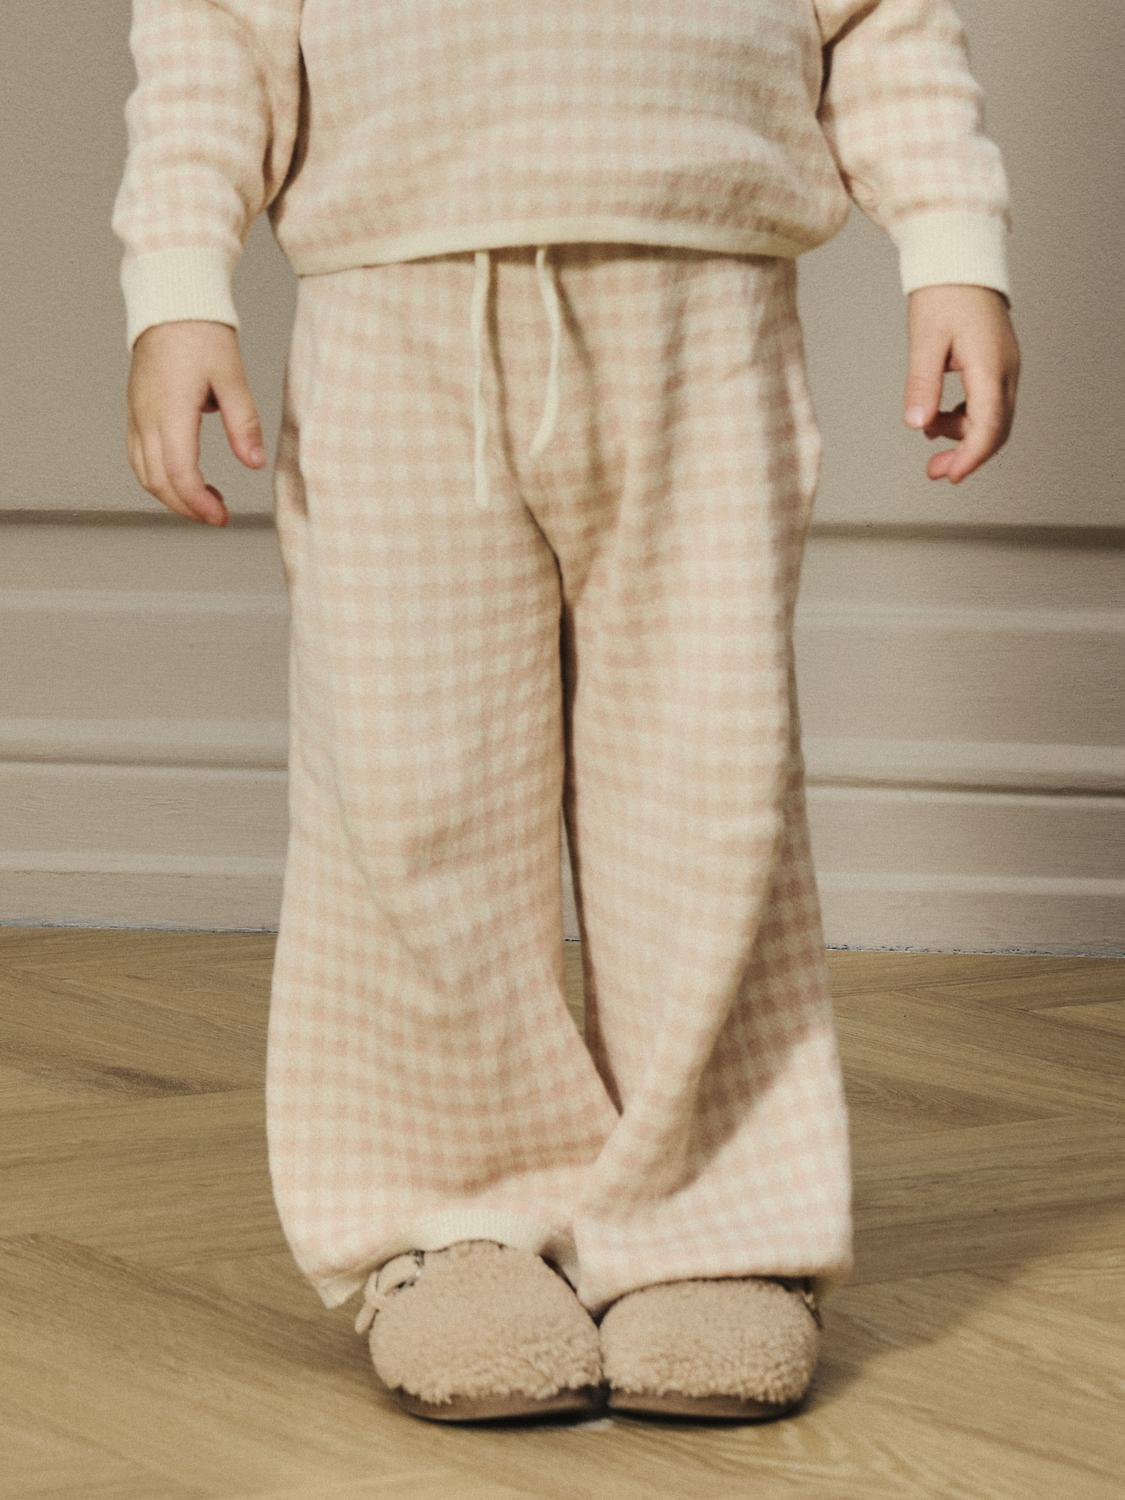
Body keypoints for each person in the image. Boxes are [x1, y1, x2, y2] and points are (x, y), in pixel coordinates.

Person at [112, 0, 1020, 1423]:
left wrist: (953, 243)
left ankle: (714, 1219)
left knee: (707, 787)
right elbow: (213, 24)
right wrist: (178, 278)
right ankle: (449, 1215)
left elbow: (885, 17)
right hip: (395, 306)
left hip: (704, 307)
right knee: (415, 791)